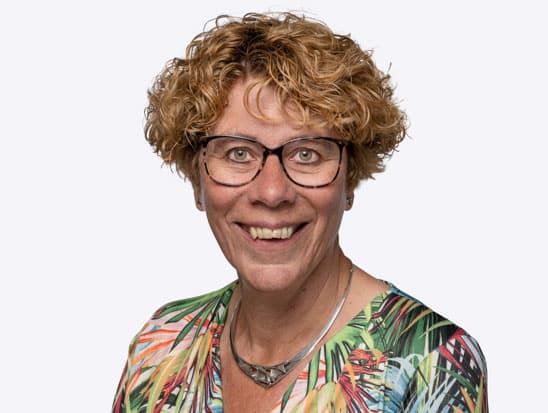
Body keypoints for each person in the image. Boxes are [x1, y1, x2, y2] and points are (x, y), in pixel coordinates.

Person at [112, 12, 488, 413]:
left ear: (350, 178)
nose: (272, 192)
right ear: (197, 180)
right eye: (238, 153)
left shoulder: (428, 363)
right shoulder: (161, 348)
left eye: (307, 154)